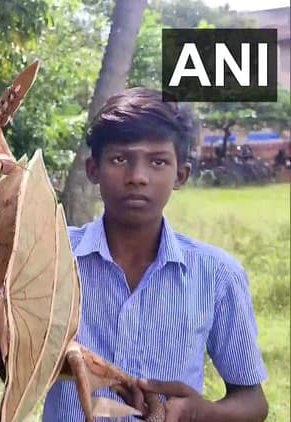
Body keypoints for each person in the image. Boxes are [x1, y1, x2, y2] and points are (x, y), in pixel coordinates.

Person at [42, 88, 268, 422]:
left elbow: (253, 401)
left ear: (181, 175)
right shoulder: (52, 256)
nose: (137, 177)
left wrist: (201, 412)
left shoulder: (217, 275)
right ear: (93, 169)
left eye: (158, 161)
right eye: (120, 160)